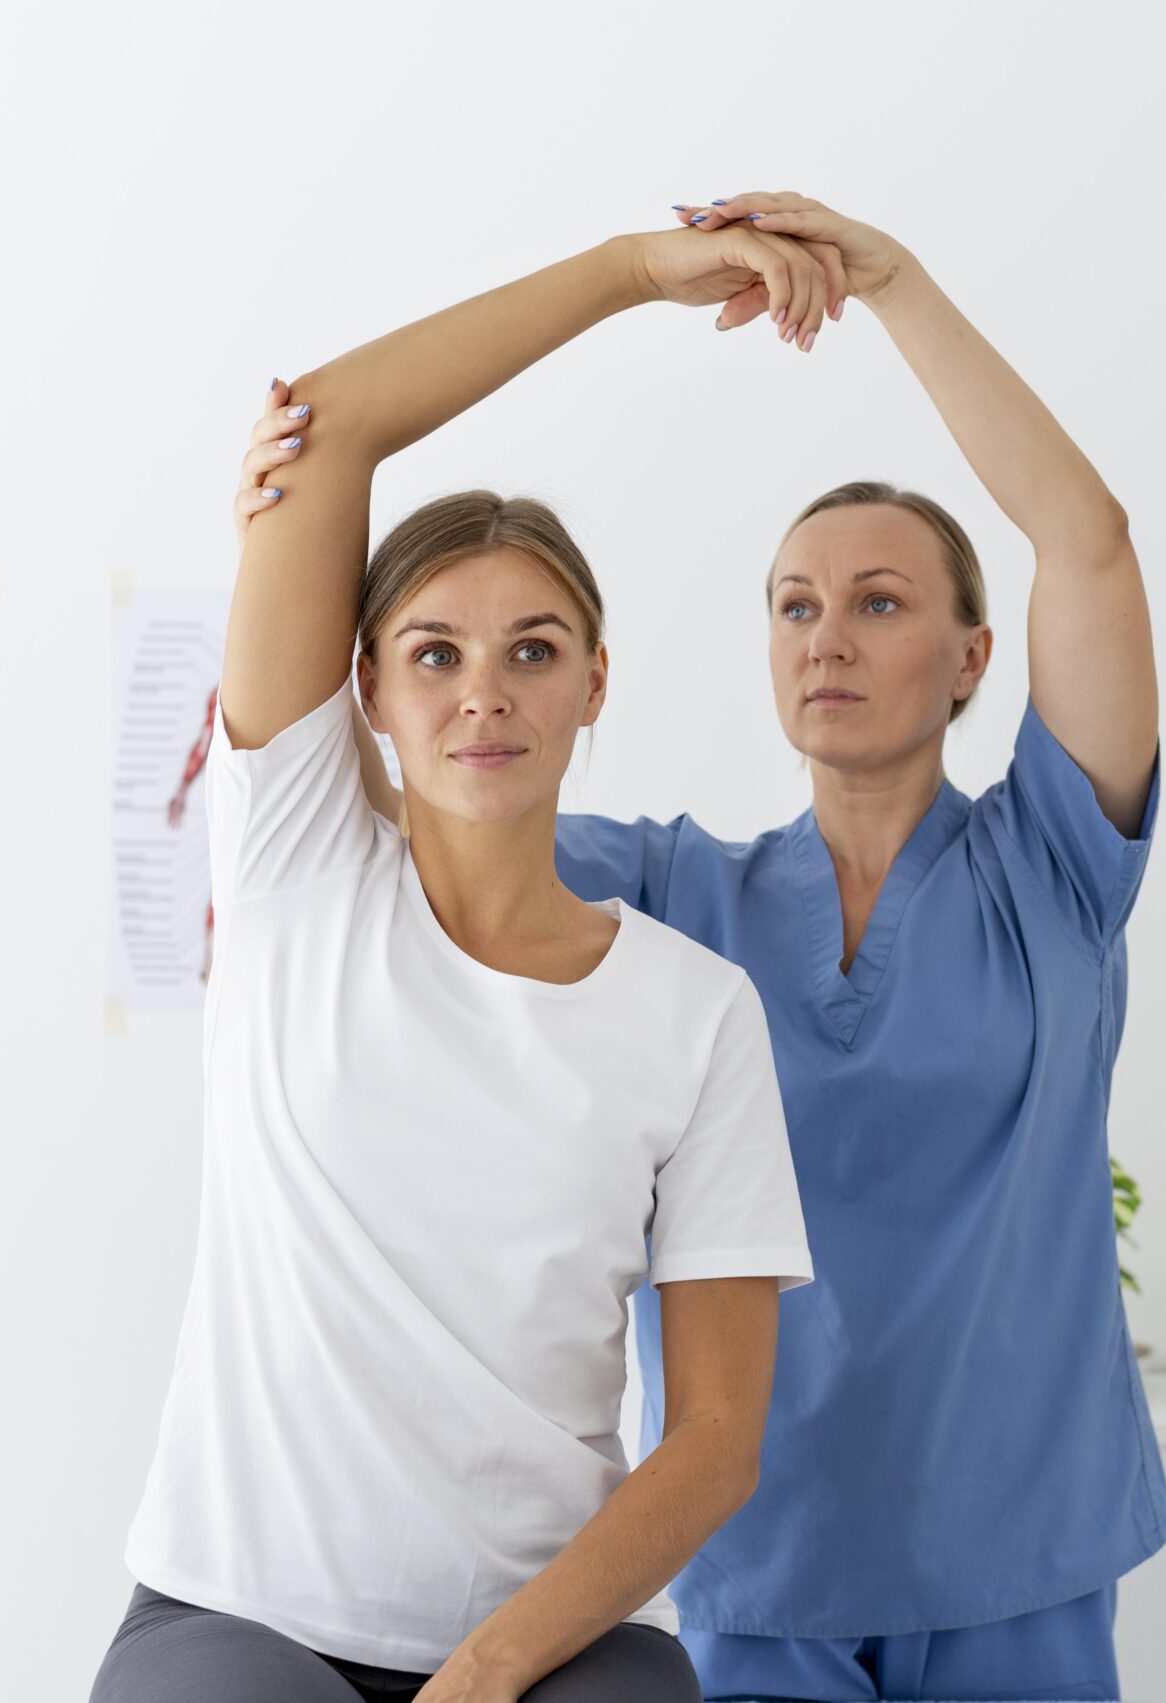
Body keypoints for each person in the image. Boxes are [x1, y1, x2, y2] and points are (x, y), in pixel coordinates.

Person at [236, 191, 1166, 1703]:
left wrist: (899, 285)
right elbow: (434, 755)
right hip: (757, 1571)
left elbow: (1090, 540)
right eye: (796, 606)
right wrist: (299, 539)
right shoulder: (671, 892)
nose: (828, 640)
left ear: (973, 657)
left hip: (1018, 1559)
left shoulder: (1053, 877)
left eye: (879, 604)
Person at [97, 218, 843, 1703]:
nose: (483, 693)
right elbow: (333, 420)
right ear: (364, 685)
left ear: (595, 684)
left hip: (547, 1643)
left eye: (534, 649)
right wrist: (636, 273)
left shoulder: (696, 1017)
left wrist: (495, 1666)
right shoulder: (296, 858)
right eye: (434, 651)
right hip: (240, 1618)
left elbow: (715, 1436)